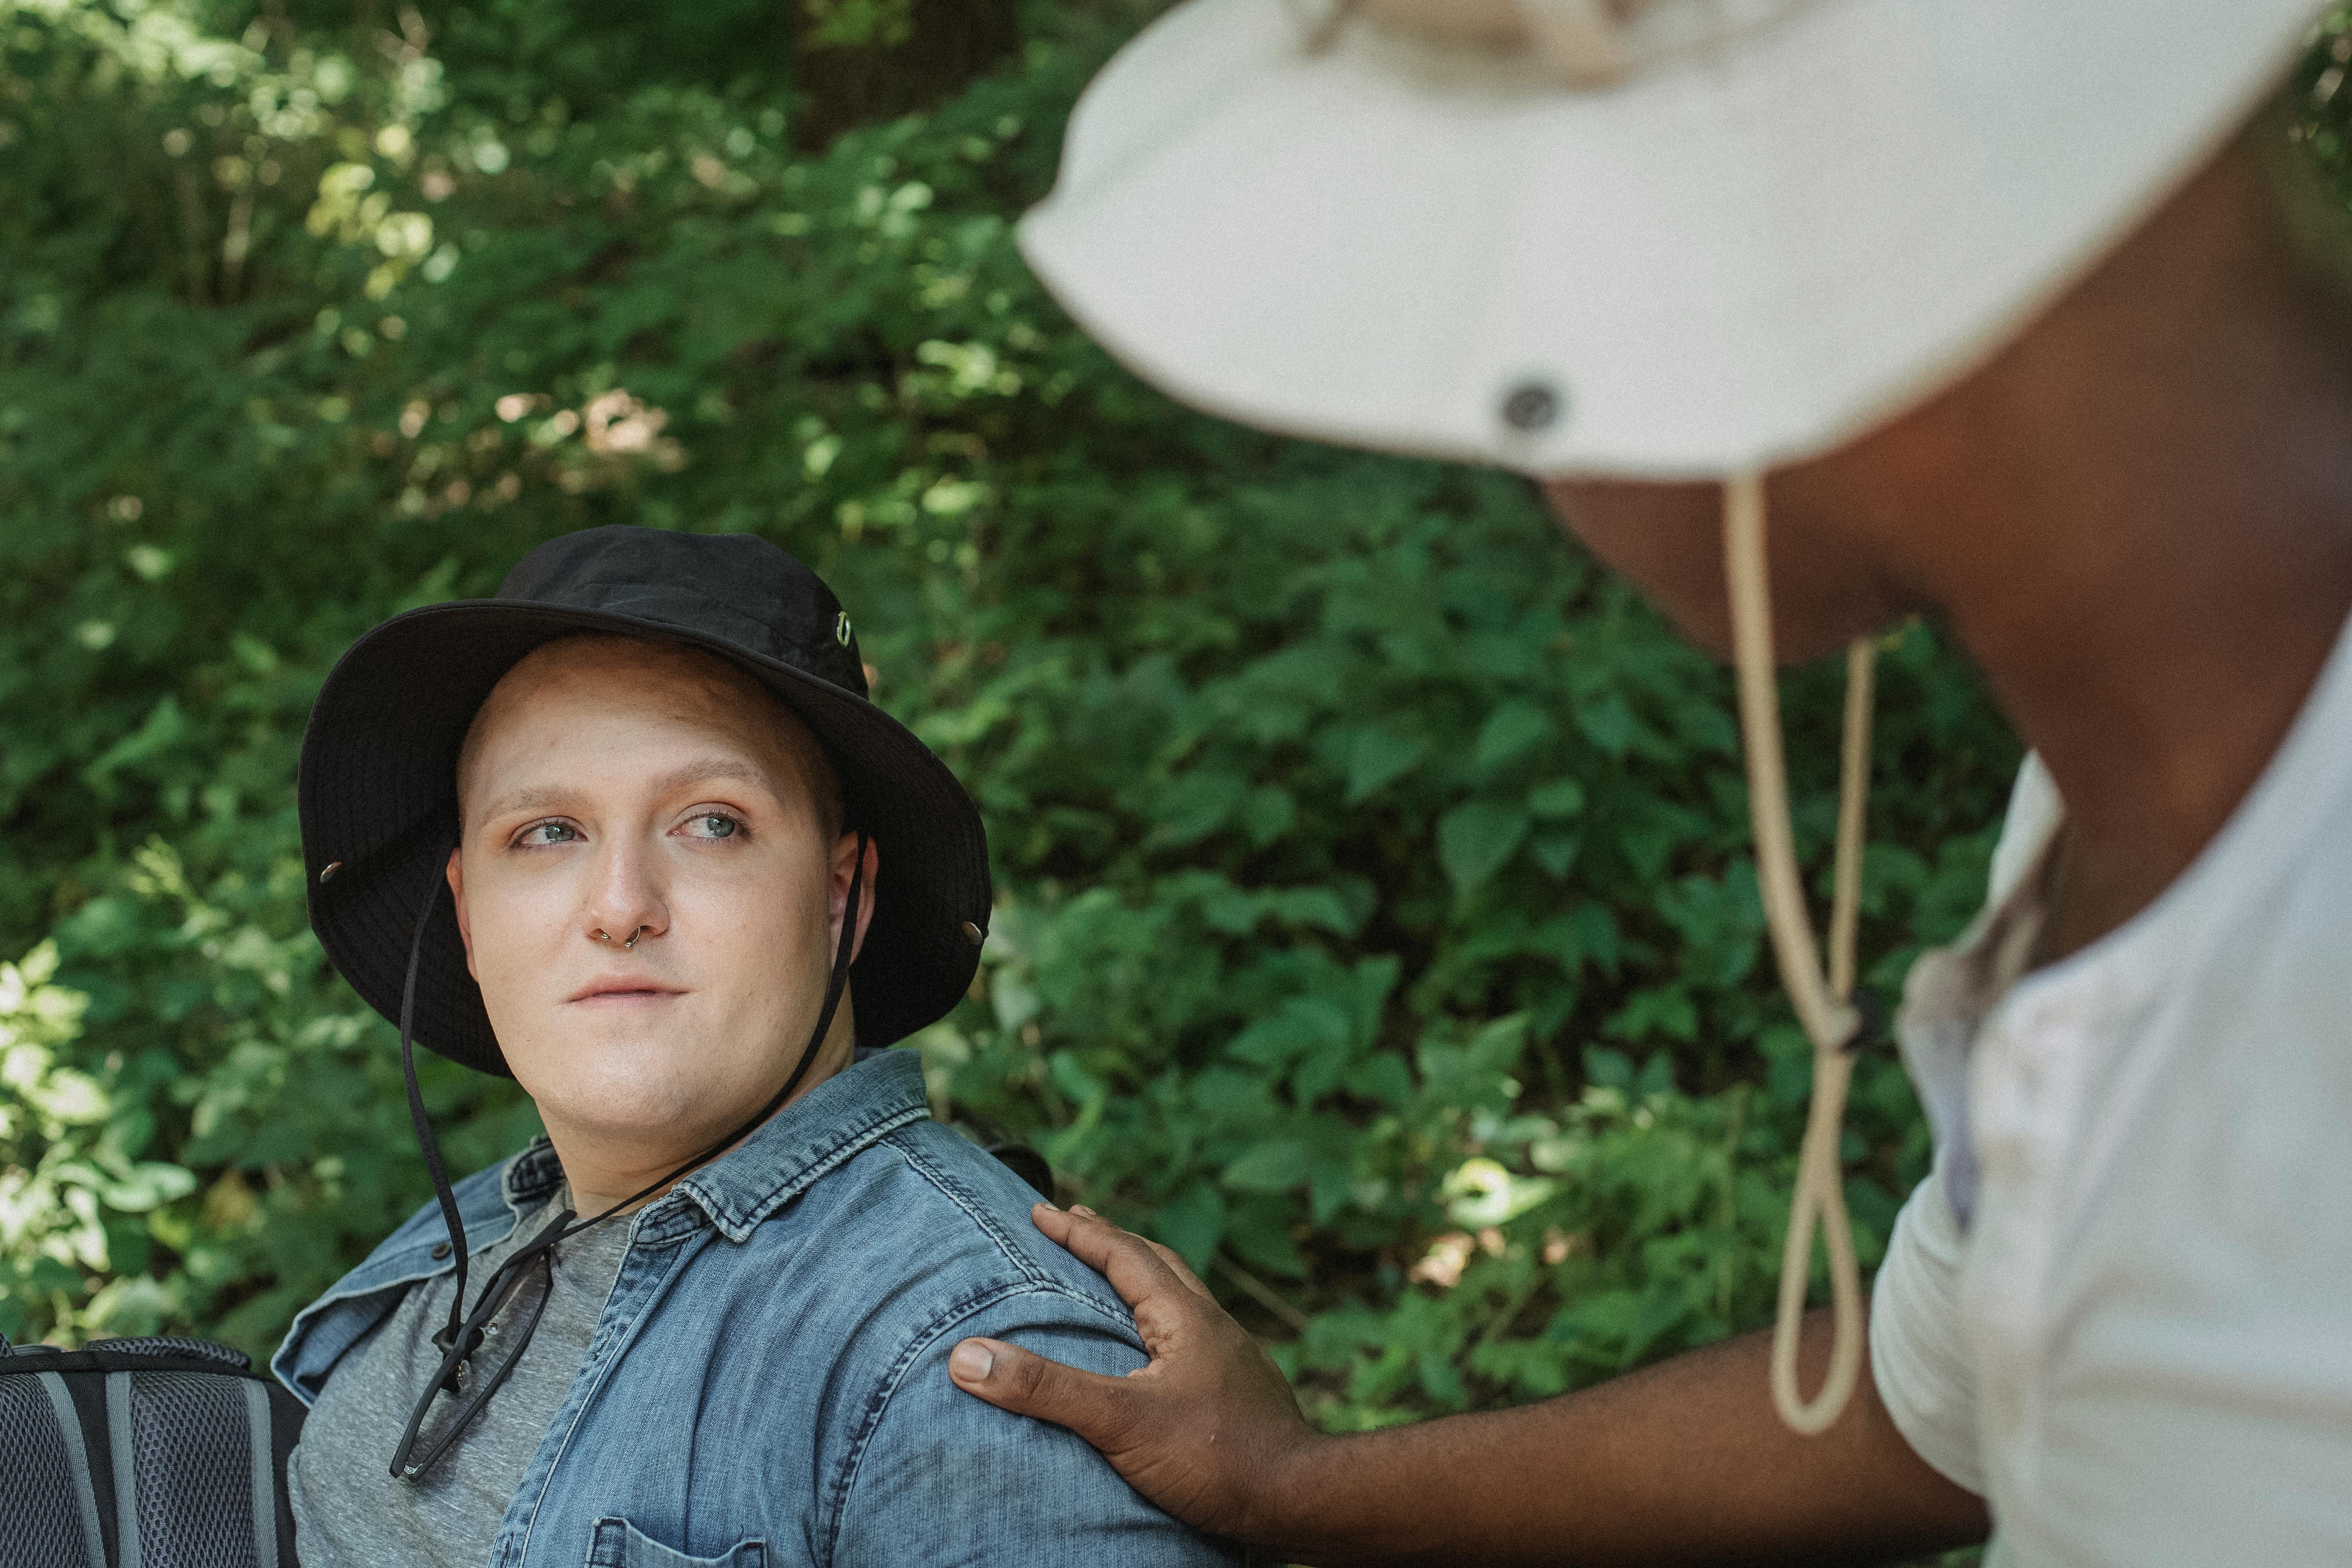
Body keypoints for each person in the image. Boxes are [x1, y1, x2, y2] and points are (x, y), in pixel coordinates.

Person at [946, 0, 2352, 1562]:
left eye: (1517, 338)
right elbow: (1951, 1407)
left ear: (1774, 260)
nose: (1520, 452)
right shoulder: (2154, 787)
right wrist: (1293, 1484)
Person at [271, 527, 1239, 1568]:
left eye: (712, 824)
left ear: (842, 899)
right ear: (467, 917)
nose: (620, 908)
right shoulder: (470, 1234)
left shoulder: (973, 1360)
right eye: (548, 832)